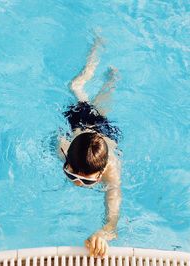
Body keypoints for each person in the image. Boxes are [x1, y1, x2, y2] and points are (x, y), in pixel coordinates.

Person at [57, 37, 122, 258]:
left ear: (101, 173)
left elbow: (113, 219)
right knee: (75, 86)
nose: (77, 183)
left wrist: (103, 234)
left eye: (86, 180)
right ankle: (95, 48)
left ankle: (112, 78)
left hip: (102, 131)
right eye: (71, 174)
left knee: (102, 98)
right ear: (66, 160)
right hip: (78, 124)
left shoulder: (111, 169)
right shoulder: (64, 149)